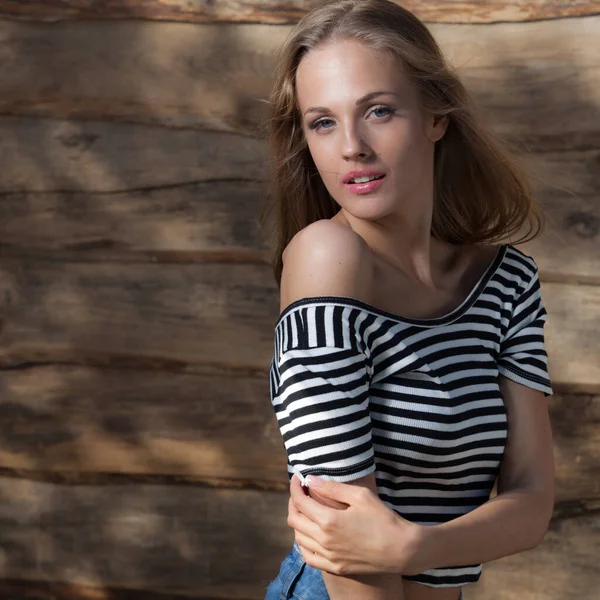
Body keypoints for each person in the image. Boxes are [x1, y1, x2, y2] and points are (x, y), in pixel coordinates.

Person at [260, 0, 555, 598]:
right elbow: (343, 540)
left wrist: (414, 545)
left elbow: (532, 503)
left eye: (379, 111)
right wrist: (407, 548)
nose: (352, 147)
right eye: (323, 122)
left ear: (436, 116)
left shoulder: (507, 282)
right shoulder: (326, 257)